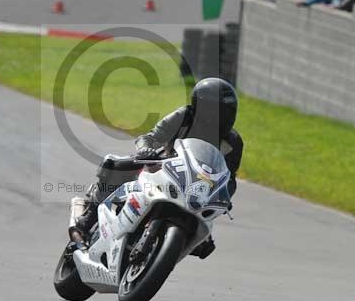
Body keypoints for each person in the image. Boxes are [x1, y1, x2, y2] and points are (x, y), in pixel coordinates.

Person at [72, 78, 243, 260]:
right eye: (216, 111)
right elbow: (150, 137)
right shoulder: (184, 117)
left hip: (197, 188)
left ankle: (166, 251)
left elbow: (229, 178)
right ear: (201, 107)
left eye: (226, 112)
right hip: (162, 166)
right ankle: (88, 219)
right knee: (114, 165)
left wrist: (225, 194)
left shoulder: (233, 142)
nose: (219, 117)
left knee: (204, 244)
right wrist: (146, 150)